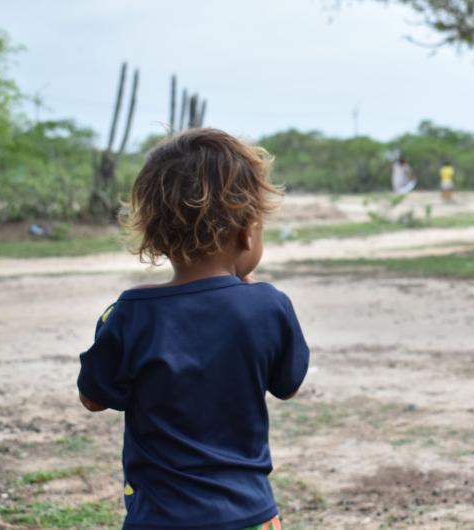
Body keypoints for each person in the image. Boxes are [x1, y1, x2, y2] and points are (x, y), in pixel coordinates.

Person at [77, 128, 309, 530]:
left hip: (160, 519)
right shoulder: (268, 306)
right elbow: (287, 385)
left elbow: (94, 398)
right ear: (247, 230)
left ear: (156, 234)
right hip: (249, 516)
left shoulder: (131, 313)